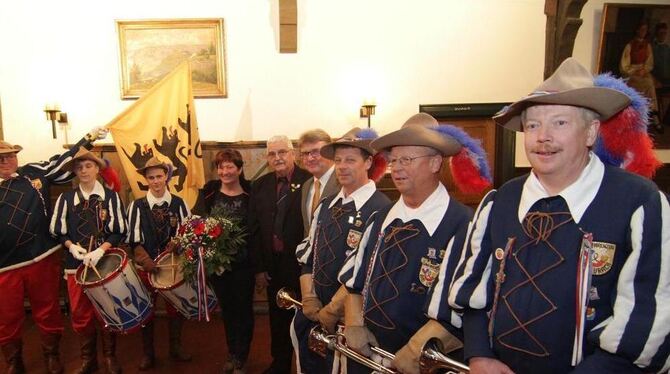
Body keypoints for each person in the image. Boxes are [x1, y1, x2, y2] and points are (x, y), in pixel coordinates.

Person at [449, 58, 670, 374]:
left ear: (591, 132)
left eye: (560, 123)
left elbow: (648, 320)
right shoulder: (501, 200)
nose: (543, 137)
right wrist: (479, 355)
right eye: (533, 125)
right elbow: (473, 289)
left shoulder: (639, 202)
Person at [340, 113, 492, 374]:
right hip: (367, 357)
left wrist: (414, 351)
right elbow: (355, 281)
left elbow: (464, 308)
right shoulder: (380, 218)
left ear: (435, 163)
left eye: (407, 160)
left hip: (425, 364)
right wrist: (354, 325)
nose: (396, 168)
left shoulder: (463, 224)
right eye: (393, 160)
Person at [0, 128, 106, 374]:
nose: (6, 160)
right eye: (0, 157)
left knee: (48, 309)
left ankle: (52, 356)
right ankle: (14, 362)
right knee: (6, 317)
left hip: (42, 256)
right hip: (4, 266)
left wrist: (88, 139)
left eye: (10, 155)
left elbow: (65, 161)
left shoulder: (33, 173)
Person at [293, 128, 390, 373]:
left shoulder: (382, 210)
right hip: (318, 316)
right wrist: (310, 297)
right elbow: (309, 255)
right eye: (337, 160)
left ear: (368, 162)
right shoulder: (327, 205)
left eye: (350, 160)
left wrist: (332, 310)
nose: (342, 166)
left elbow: (369, 274)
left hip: (354, 321)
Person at [50, 148, 127, 374]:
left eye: (88, 166)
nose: (84, 170)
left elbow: (119, 231)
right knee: (81, 314)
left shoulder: (110, 198)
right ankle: (88, 359)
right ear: (75, 171)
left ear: (97, 169)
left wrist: (102, 250)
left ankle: (110, 357)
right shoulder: (65, 199)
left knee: (107, 310)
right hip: (76, 267)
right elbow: (58, 231)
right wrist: (71, 246)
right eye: (79, 167)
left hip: (104, 266)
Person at [248, 135, 310, 374]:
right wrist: (259, 269)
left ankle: (305, 365)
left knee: (306, 318)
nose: (278, 158)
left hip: (301, 266)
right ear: (267, 158)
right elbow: (254, 230)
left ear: (293, 154)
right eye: (272, 154)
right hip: (272, 266)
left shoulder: (308, 182)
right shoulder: (260, 185)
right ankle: (280, 363)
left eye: (282, 152)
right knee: (277, 318)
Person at [125, 157, 191, 370]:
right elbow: (133, 240)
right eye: (151, 177)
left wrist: (178, 244)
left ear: (166, 177)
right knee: (147, 310)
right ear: (146, 179)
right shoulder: (136, 206)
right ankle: (148, 353)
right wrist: (146, 261)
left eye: (159, 176)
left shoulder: (179, 204)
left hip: (174, 267)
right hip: (148, 268)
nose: (155, 181)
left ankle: (176, 347)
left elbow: (188, 233)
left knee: (176, 308)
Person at [193, 149, 254, 374]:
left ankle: (241, 356)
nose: (225, 171)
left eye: (230, 166)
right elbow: (197, 222)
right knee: (227, 311)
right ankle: (232, 352)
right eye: (221, 167)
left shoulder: (251, 192)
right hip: (217, 266)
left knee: (243, 311)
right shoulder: (210, 192)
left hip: (244, 265)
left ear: (239, 169)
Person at [620, 21, 662, 132]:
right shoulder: (630, 45)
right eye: (641, 29)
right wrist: (634, 71)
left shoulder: (647, 45)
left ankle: (653, 115)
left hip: (643, 71)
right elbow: (624, 66)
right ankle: (636, 119)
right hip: (632, 73)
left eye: (645, 30)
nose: (643, 32)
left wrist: (644, 69)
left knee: (650, 83)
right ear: (637, 30)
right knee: (642, 83)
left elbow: (649, 62)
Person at [298, 129, 339, 236]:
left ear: (330, 152)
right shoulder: (307, 186)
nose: (310, 158)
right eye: (305, 153)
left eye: (316, 152)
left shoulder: (343, 182)